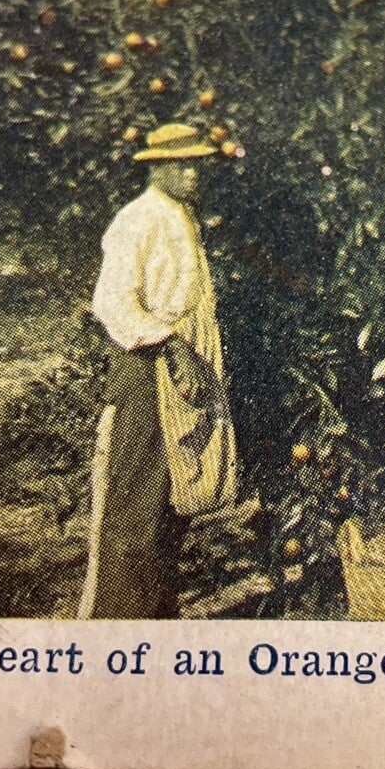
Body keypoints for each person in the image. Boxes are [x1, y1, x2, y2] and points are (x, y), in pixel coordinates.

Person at [85, 123, 237, 619]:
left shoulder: (181, 216)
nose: (193, 175)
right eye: (181, 165)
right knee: (139, 499)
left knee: (174, 499)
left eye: (197, 165)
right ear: (155, 168)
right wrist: (173, 349)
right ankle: (122, 620)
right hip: (150, 363)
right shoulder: (138, 219)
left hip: (184, 353)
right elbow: (112, 302)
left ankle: (157, 611)